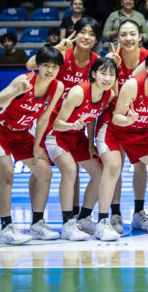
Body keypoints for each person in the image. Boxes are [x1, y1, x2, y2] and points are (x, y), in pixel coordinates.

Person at [0, 47, 64, 244]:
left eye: (55, 66)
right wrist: (16, 93)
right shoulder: (23, 81)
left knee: (45, 172)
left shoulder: (57, 86)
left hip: (20, 132)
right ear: (38, 66)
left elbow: (44, 119)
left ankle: (37, 224)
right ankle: (6, 228)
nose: (50, 70)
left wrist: (37, 145)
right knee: (7, 173)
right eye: (46, 65)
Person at [97, 50, 148, 236]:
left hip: (139, 132)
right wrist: (127, 121)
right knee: (113, 167)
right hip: (114, 129)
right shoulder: (132, 85)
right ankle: (103, 220)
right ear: (147, 68)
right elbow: (117, 116)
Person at [47, 57, 116, 241]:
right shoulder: (79, 91)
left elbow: (92, 116)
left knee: (100, 172)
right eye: (103, 72)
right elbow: (57, 123)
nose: (107, 78)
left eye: (112, 74)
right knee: (70, 170)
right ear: (93, 74)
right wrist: (72, 126)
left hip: (77, 137)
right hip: (56, 135)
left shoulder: (108, 94)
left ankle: (84, 218)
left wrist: (90, 142)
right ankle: (68, 224)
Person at [95, 20, 148, 234]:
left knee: (141, 166)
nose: (128, 38)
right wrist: (113, 69)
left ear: (140, 37)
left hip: (140, 121)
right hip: (113, 121)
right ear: (118, 37)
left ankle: (138, 212)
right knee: (114, 167)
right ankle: (115, 214)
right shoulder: (109, 60)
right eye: (123, 34)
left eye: (132, 34)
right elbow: (110, 96)